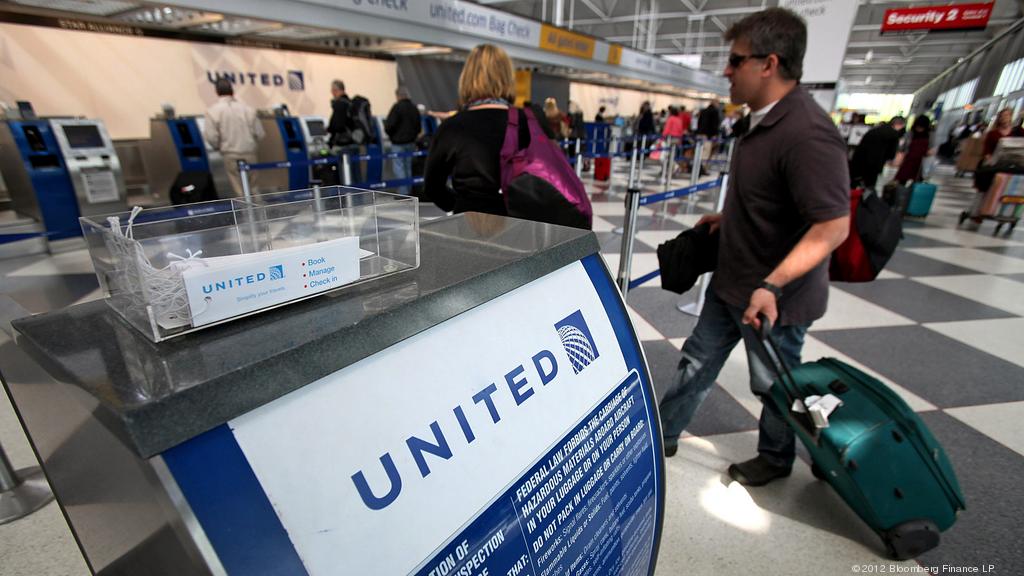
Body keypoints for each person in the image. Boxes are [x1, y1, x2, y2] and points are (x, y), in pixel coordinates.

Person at [658, 7, 850, 487]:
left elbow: (833, 226)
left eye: (736, 60)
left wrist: (772, 285)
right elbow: (777, 198)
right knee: (696, 361)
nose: (727, 70)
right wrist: (731, 218)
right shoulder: (761, 121)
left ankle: (776, 457)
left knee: (774, 383)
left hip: (773, 295)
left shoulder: (807, 132)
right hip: (732, 280)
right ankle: (662, 434)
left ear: (769, 63)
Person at [423, 44, 555, 216]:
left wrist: (461, 204)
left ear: (467, 78)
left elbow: (432, 187)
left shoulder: (452, 126)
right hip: (521, 221)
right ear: (508, 78)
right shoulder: (530, 121)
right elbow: (552, 176)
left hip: (470, 222)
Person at [203, 78, 264, 197]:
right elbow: (260, 133)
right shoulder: (248, 109)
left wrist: (218, 147)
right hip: (249, 152)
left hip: (230, 154)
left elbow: (211, 137)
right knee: (254, 188)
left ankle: (245, 208)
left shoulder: (212, 111)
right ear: (232, 91)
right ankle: (259, 207)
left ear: (217, 92)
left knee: (239, 189)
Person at [848, 115, 906, 189]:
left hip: (859, 162)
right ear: (899, 125)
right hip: (874, 166)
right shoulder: (893, 134)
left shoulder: (875, 130)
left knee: (854, 185)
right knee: (868, 187)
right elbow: (891, 154)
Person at [384, 87, 421, 196]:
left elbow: (389, 125)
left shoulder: (397, 107)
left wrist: (391, 135)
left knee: (399, 168)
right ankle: (409, 191)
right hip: (411, 142)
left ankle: (403, 193)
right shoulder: (414, 107)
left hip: (398, 143)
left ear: (398, 96)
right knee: (408, 167)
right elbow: (418, 126)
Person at [327, 79, 361, 183]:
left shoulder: (340, 104)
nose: (332, 93)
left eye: (332, 90)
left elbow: (337, 125)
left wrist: (329, 129)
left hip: (344, 144)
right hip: (355, 142)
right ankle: (358, 193)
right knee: (355, 174)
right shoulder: (350, 103)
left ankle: (348, 193)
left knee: (346, 176)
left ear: (336, 90)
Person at [893, 115, 933, 185]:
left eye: (921, 127)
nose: (919, 129)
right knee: (902, 179)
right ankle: (900, 191)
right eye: (918, 126)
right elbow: (902, 147)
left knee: (918, 183)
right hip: (908, 161)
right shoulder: (910, 133)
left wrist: (930, 152)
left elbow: (932, 148)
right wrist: (899, 157)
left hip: (920, 163)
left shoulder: (929, 135)